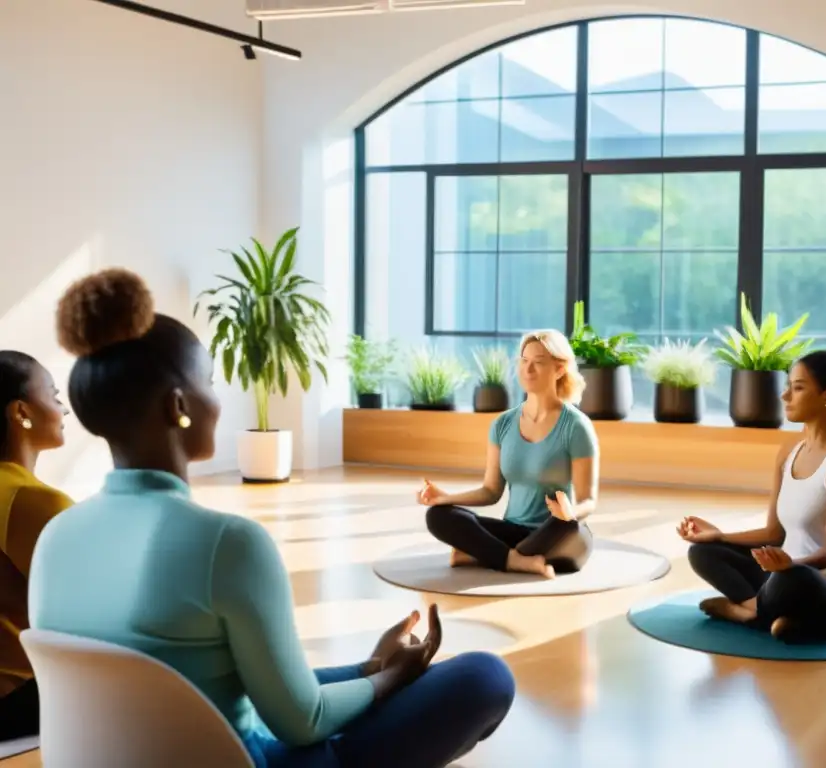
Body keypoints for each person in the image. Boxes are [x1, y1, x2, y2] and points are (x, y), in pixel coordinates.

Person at [28, 268, 514, 767]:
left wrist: (372, 666)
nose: (218, 400)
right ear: (180, 406)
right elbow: (301, 723)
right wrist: (393, 677)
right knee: (484, 677)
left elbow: (232, 690)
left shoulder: (54, 537)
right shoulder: (227, 543)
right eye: (211, 381)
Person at [680, 350, 826, 644]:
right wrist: (719, 536)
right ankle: (775, 618)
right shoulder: (788, 452)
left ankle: (749, 614)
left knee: (791, 579)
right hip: (782, 576)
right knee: (703, 552)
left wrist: (788, 567)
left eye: (797, 388)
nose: (785, 396)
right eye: (788, 386)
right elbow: (773, 532)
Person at [421, 330, 599, 579]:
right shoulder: (503, 424)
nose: (528, 369)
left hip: (554, 531)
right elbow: (491, 491)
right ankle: (515, 560)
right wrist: (446, 499)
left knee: (572, 532)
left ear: (559, 369)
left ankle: (479, 553)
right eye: (524, 361)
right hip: (513, 530)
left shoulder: (576, 426)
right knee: (438, 516)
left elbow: (588, 500)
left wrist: (570, 513)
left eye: (538, 362)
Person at [0, 352, 73, 742]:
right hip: (17, 701)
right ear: (21, 412)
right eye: (54, 395)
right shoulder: (33, 500)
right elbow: (91, 617)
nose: (62, 409)